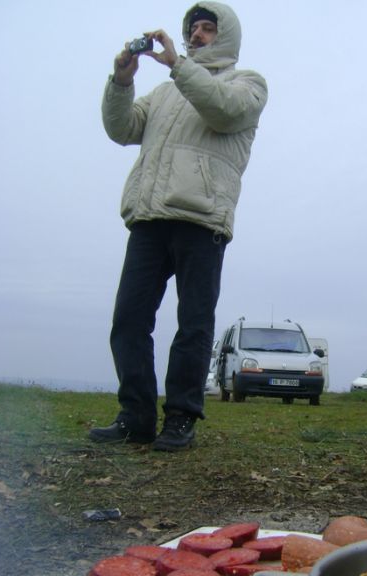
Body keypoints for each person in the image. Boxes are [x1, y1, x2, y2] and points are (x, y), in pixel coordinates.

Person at [89, 2, 267, 451]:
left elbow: (223, 110)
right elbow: (122, 127)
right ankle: (136, 418)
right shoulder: (166, 93)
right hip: (149, 217)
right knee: (128, 320)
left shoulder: (246, 83)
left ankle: (182, 418)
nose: (197, 34)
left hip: (202, 217)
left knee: (193, 323)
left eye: (208, 29)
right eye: (194, 28)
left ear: (225, 37)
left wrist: (177, 65)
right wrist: (123, 80)